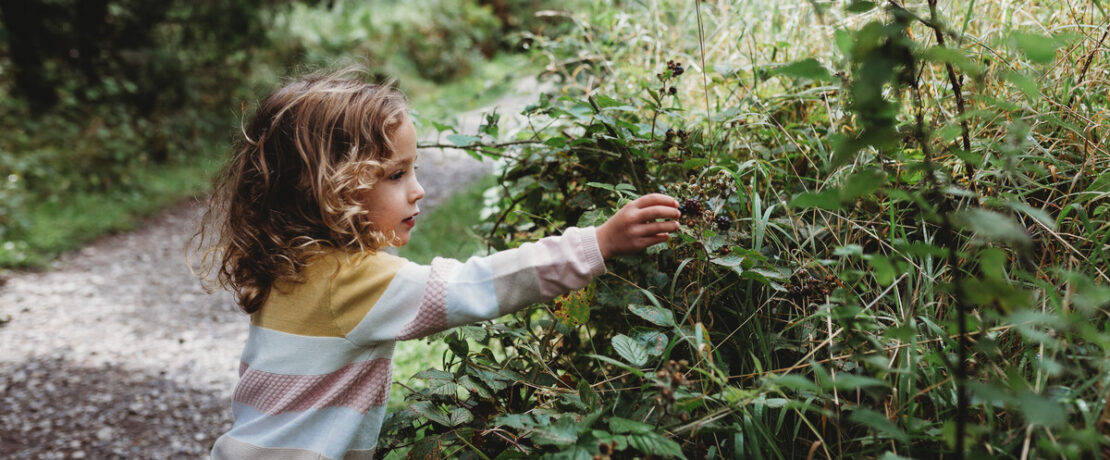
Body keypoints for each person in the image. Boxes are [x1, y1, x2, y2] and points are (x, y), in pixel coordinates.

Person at [195, 68, 681, 459]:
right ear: (328, 188)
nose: (418, 189)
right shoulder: (355, 282)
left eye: (416, 169)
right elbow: (480, 285)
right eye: (396, 174)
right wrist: (598, 242)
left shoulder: (285, 265)